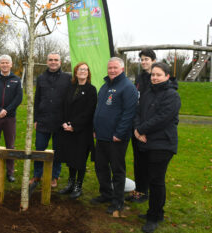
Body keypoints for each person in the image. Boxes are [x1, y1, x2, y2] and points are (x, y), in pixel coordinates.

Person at [134, 62, 180, 233]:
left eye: (158, 75)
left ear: (167, 76)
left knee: (156, 181)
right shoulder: (147, 93)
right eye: (153, 74)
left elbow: (163, 118)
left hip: (162, 144)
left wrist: (141, 129)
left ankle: (155, 216)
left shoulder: (172, 95)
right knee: (149, 178)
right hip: (146, 142)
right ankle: (153, 212)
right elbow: (137, 113)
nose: (154, 77)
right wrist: (137, 129)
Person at [91, 57, 138, 214]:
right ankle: (106, 194)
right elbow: (99, 109)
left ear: (122, 69)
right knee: (101, 167)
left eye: (115, 68)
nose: (111, 70)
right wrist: (95, 128)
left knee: (117, 170)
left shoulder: (128, 87)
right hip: (102, 136)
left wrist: (119, 133)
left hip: (116, 138)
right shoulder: (104, 87)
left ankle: (118, 201)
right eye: (110, 67)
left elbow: (129, 113)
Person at [56, 62, 97, 199]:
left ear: (88, 73)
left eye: (85, 69)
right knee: (70, 158)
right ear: (75, 72)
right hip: (67, 129)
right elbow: (63, 106)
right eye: (80, 69)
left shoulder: (91, 90)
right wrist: (64, 123)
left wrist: (74, 125)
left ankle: (78, 186)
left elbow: (89, 111)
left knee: (80, 159)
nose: (83, 72)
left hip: (82, 131)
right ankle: (70, 183)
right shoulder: (70, 88)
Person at [30, 52, 71, 188]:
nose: (53, 62)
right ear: (47, 62)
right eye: (51, 60)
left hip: (60, 121)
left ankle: (54, 176)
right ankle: (37, 175)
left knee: (57, 150)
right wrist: (36, 118)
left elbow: (70, 101)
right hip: (43, 119)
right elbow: (37, 100)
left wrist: (68, 119)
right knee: (40, 149)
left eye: (56, 60)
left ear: (60, 62)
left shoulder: (67, 78)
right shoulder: (41, 78)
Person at [0, 55, 23, 185]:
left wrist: (6, 110)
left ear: (11, 64)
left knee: (10, 145)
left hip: (10, 118)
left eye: (7, 63)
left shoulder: (16, 80)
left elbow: (19, 98)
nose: (5, 65)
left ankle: (10, 171)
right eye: (2, 63)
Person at [127, 49, 157, 203]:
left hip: (148, 129)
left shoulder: (156, 78)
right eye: (142, 59)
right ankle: (139, 190)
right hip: (137, 125)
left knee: (147, 162)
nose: (144, 62)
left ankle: (146, 192)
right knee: (138, 161)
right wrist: (136, 128)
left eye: (147, 59)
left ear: (153, 60)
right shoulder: (139, 78)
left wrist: (143, 129)